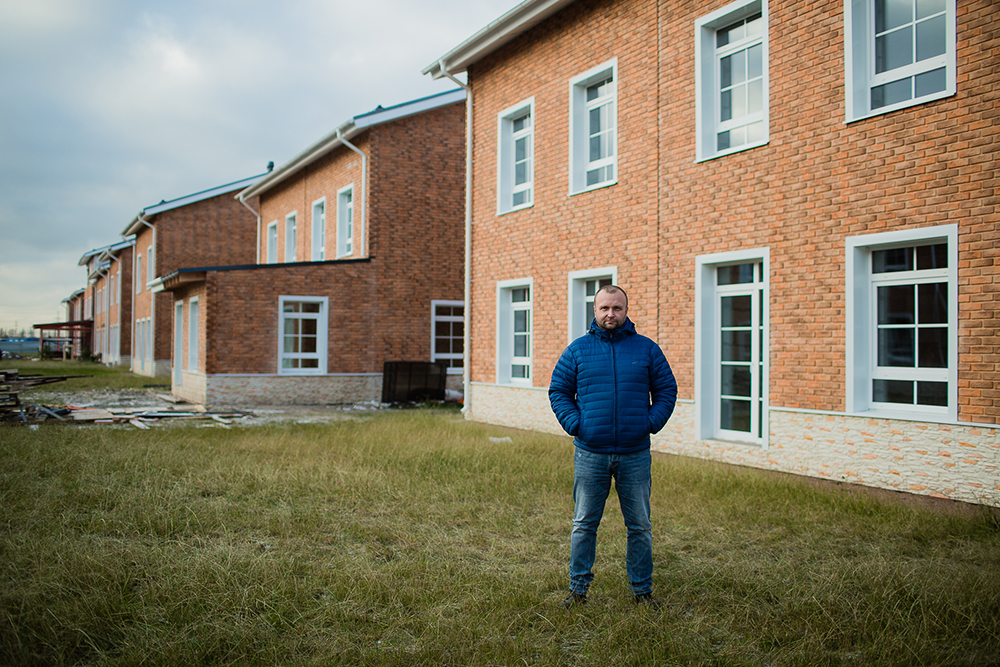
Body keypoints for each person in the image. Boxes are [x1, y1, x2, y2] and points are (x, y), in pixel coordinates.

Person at [548, 284, 677, 608]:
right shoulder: (577, 350)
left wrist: (649, 423)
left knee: (640, 526)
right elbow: (558, 391)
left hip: (635, 454)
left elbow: (667, 390)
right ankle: (578, 590)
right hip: (590, 452)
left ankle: (642, 591)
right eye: (604, 308)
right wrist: (576, 424)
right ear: (595, 310)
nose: (610, 314)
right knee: (584, 524)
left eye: (617, 308)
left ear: (626, 310)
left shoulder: (647, 350)